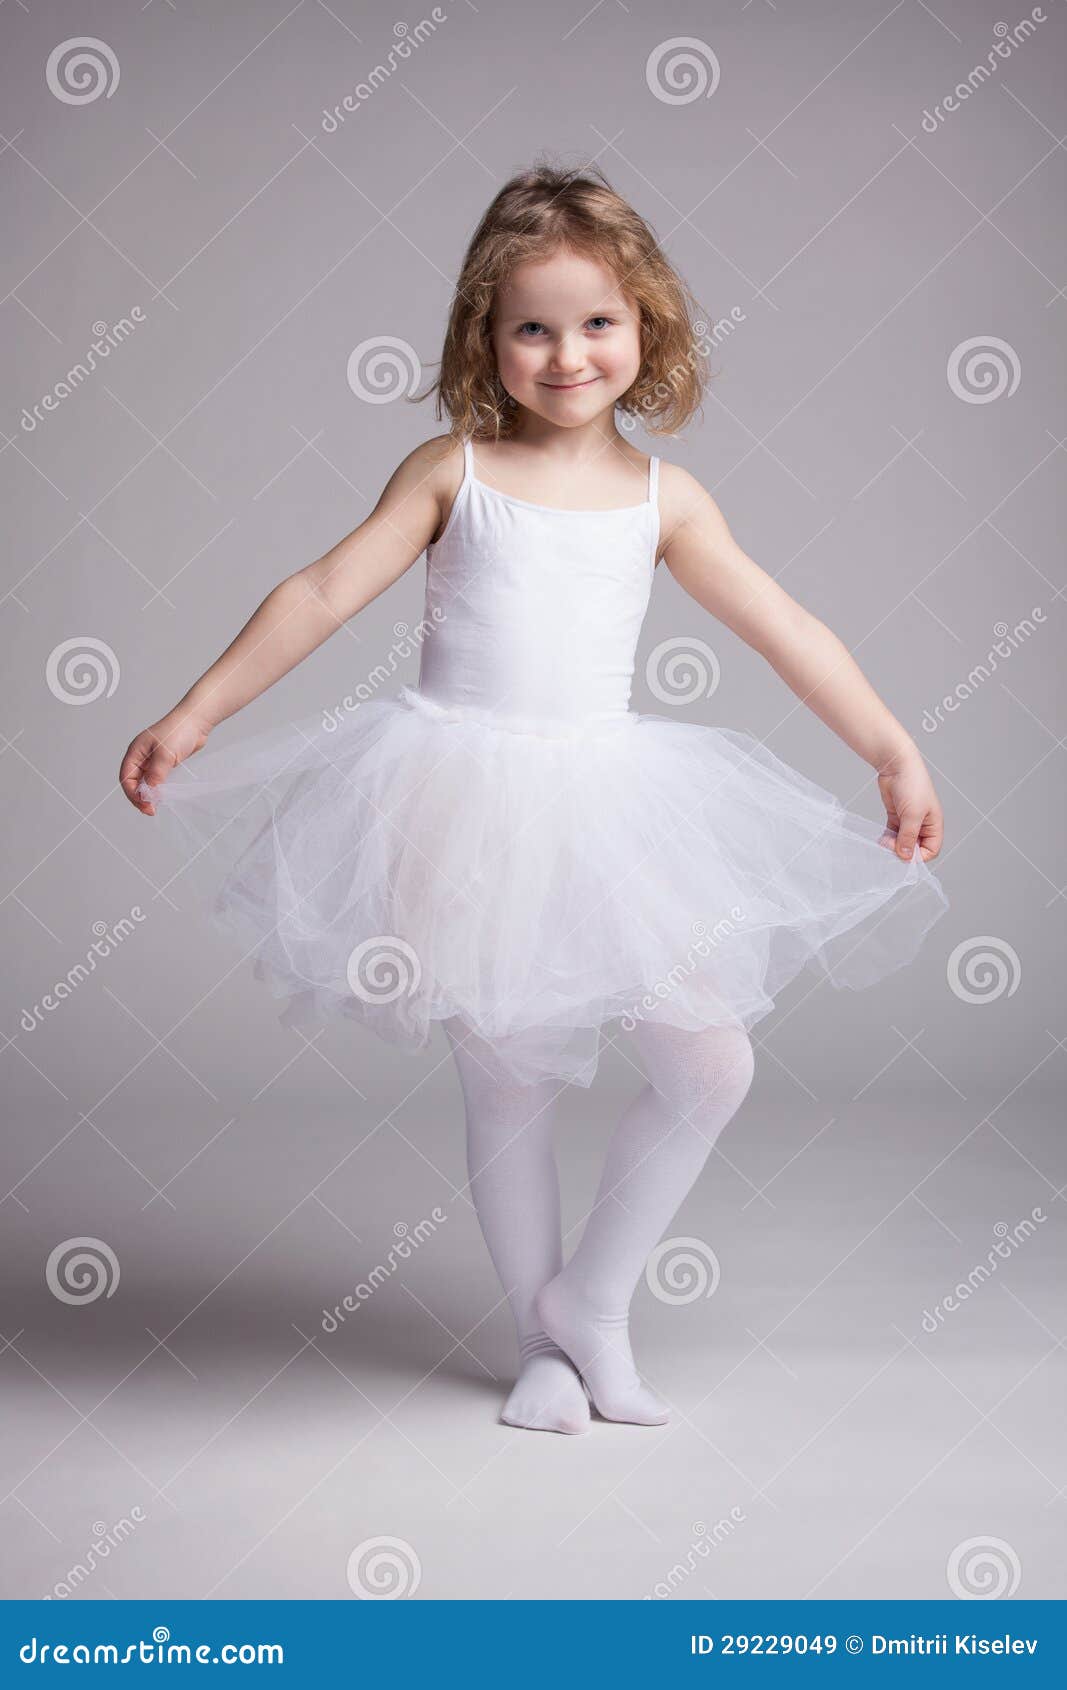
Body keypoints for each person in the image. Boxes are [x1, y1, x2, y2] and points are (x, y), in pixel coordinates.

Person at [119, 162, 949, 1436]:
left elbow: (784, 624)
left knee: (707, 1060)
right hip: (458, 797)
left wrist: (889, 745)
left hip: (611, 805)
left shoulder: (667, 499)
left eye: (597, 323)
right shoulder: (451, 471)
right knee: (509, 1084)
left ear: (646, 330)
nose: (567, 354)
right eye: (532, 327)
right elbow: (322, 592)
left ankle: (592, 1303)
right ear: (484, 338)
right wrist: (195, 710)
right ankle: (539, 1346)